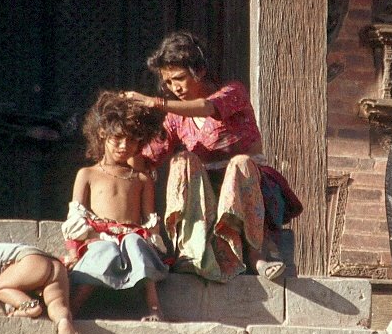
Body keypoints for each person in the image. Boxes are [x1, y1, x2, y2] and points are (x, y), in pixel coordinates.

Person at [124, 31, 302, 283]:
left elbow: (207, 108)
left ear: (199, 71)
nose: (175, 88)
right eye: (169, 82)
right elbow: (146, 158)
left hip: (249, 186)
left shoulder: (232, 93)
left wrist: (155, 103)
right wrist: (126, 131)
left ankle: (257, 255)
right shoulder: (175, 119)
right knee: (182, 160)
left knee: (240, 164)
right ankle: (189, 252)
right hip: (205, 196)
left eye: (180, 78)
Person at [61, 91, 169, 321]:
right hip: (99, 236)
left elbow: (150, 219)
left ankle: (154, 308)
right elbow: (75, 216)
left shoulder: (141, 179)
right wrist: (72, 251)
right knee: (103, 251)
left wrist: (153, 239)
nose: (124, 146)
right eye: (117, 138)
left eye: (132, 140)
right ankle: (74, 307)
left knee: (136, 244)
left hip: (132, 234)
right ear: (102, 134)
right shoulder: (87, 174)